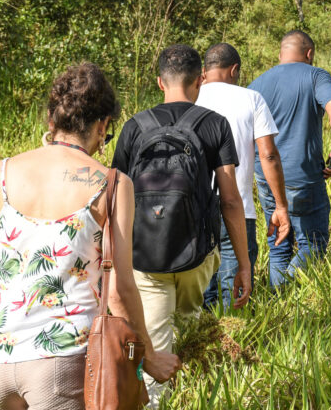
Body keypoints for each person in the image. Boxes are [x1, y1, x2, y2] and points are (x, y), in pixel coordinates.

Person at [0, 63, 180, 409]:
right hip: (61, 360)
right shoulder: (112, 185)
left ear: (51, 120)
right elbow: (121, 290)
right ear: (102, 125)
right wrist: (148, 356)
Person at [111, 44, 250, 404]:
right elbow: (231, 199)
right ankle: (195, 396)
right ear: (200, 79)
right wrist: (244, 264)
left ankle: (158, 400)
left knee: (155, 342)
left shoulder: (134, 127)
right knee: (189, 331)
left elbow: (115, 199)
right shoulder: (214, 124)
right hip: (197, 254)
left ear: (159, 81)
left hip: (145, 256)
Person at [248, 31, 331, 288]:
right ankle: (286, 289)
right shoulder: (315, 75)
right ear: (309, 54)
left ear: (280, 54)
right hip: (302, 176)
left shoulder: (258, 83)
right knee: (312, 244)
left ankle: (277, 302)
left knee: (278, 244)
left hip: (265, 175)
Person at [196, 43, 291, 310]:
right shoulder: (251, 98)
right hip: (239, 209)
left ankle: (201, 346)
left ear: (204, 71)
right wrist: (280, 205)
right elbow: (268, 155)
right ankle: (233, 345)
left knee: (201, 291)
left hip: (197, 210)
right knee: (235, 291)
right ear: (234, 69)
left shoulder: (191, 99)